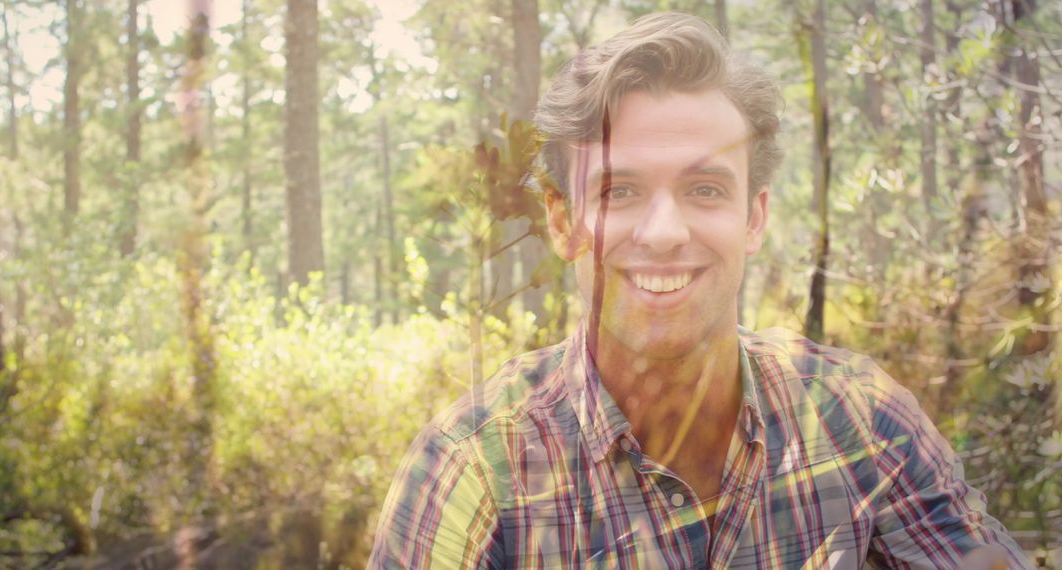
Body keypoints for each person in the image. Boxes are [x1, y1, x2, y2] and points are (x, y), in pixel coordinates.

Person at [368, 12, 1030, 569]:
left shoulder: (860, 419)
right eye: (618, 191)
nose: (663, 232)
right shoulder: (473, 471)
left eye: (704, 189)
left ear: (754, 217)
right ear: (563, 221)